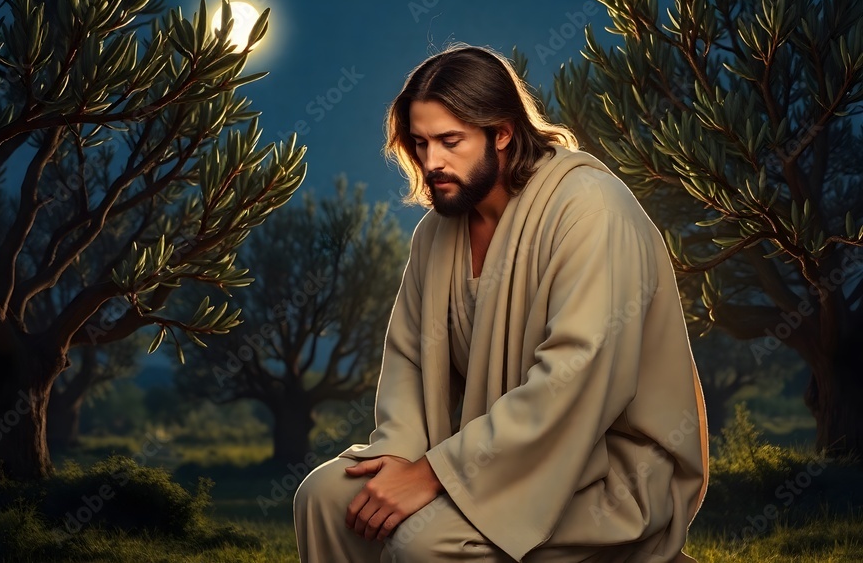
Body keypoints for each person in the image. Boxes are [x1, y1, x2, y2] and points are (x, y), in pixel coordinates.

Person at [293, 44, 709, 563]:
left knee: (424, 544)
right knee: (324, 497)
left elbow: (574, 380)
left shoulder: (591, 210)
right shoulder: (436, 233)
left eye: (450, 141)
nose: (431, 162)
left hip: (606, 471)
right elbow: (408, 358)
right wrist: (400, 457)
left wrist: (431, 475)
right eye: (420, 143)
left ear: (503, 133)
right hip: (479, 456)